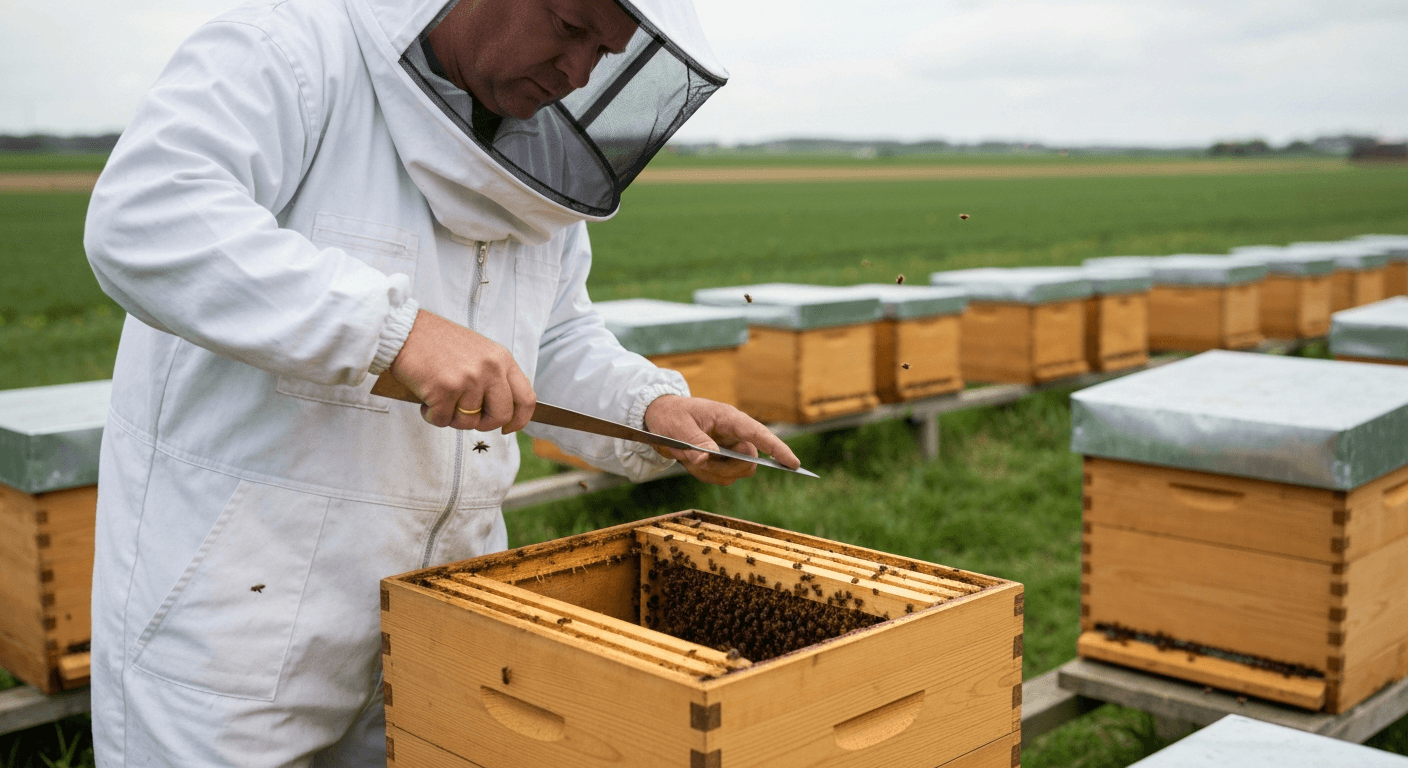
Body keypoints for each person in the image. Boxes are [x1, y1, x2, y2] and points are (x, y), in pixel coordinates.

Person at [82, 0, 799, 764]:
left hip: (443, 606)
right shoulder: (289, 50)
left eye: (604, 51)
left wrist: (649, 406)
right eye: (569, 28)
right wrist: (394, 332)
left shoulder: (540, 164)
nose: (578, 71)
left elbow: (549, 338)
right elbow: (148, 218)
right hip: (234, 624)